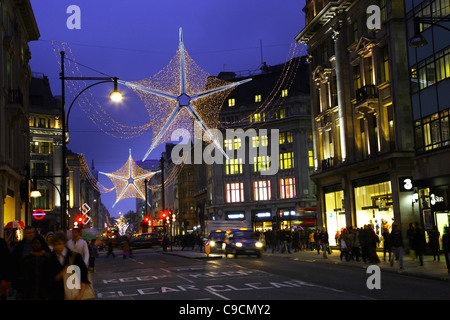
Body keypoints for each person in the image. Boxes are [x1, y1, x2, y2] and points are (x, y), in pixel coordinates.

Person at [8, 226, 50, 299]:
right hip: (26, 279)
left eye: (32, 232)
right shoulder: (20, 246)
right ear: (25, 234)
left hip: (41, 279)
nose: (31, 235)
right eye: (28, 233)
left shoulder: (41, 244)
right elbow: (14, 262)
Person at [49, 232, 90, 300]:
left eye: (60, 244)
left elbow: (84, 277)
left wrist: (80, 294)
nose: (57, 247)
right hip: (56, 295)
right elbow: (49, 279)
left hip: (74, 295)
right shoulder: (50, 258)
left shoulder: (75, 257)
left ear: (64, 243)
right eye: (55, 244)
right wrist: (62, 273)